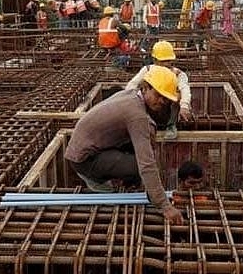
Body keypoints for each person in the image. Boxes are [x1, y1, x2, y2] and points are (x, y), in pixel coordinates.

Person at [64, 65, 184, 225]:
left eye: (166, 99)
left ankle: (127, 182)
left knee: (141, 152)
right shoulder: (136, 116)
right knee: (139, 166)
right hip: (84, 160)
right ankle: (100, 185)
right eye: (158, 95)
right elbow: (146, 165)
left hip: (85, 148)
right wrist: (164, 205)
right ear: (146, 88)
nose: (162, 101)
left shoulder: (131, 95)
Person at [125, 40, 191, 140]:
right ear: (155, 60)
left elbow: (185, 89)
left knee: (177, 95)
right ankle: (144, 124)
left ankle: (170, 125)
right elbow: (132, 85)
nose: (166, 64)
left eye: (168, 61)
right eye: (162, 61)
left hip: (166, 110)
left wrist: (184, 106)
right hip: (149, 110)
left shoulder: (178, 74)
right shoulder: (147, 70)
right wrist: (128, 101)